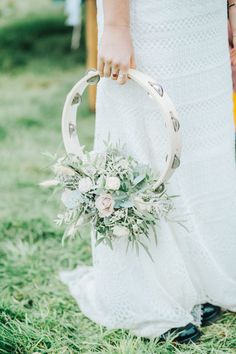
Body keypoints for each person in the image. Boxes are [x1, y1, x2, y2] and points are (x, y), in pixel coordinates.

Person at [60, 0, 236, 344]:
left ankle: (197, 281)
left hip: (204, 16)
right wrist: (116, 26)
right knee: (146, 139)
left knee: (199, 143)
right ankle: (149, 297)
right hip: (149, 15)